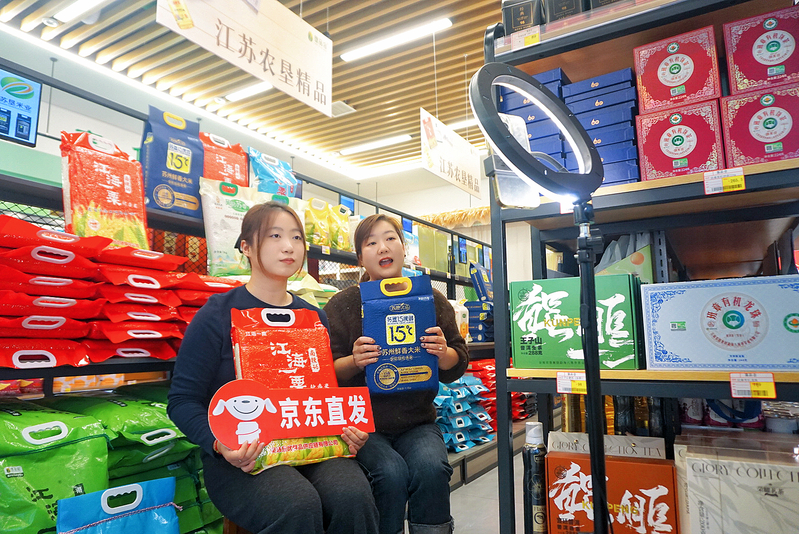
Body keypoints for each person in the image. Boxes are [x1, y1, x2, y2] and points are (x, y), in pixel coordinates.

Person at [168, 201, 379, 534]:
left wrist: (349, 427)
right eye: (275, 236)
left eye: (296, 237)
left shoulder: (313, 316)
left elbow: (323, 393)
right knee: (296, 503)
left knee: (353, 495)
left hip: (312, 445)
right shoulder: (218, 314)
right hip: (243, 457)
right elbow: (182, 400)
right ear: (246, 247)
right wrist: (220, 444)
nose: (289, 246)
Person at [325, 214, 469, 534]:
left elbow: (458, 362)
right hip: (361, 424)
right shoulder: (343, 304)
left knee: (432, 469)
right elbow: (325, 371)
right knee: (389, 474)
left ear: (404, 248)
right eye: (371, 242)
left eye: (390, 238)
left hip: (417, 422)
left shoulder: (429, 299)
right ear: (359, 257)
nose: (383, 247)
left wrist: (442, 352)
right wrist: (354, 361)